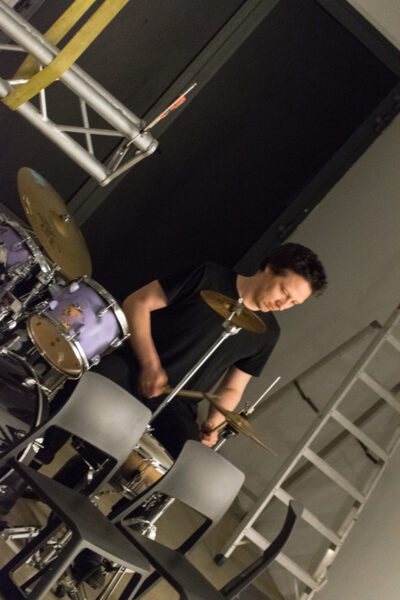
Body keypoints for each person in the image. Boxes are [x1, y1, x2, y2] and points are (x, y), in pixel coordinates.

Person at [95, 242, 327, 458]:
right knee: (90, 392)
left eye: (293, 303)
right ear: (270, 269)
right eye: (284, 293)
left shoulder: (268, 333)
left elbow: (232, 387)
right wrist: (150, 365)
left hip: (178, 406)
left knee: (189, 465)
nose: (283, 305)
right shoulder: (209, 276)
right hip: (132, 367)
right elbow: (137, 303)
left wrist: (214, 422)